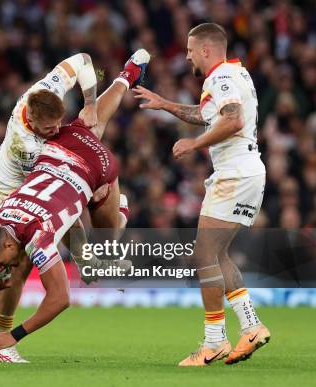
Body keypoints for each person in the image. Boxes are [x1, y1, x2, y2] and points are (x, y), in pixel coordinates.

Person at [0, 54, 149, 359]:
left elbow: (84, 61)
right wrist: (88, 191)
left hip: (46, 186)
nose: (56, 131)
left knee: (88, 126)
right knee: (22, 262)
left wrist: (90, 100)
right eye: (49, 128)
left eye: (59, 124)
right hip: (14, 182)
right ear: (31, 119)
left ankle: (126, 75)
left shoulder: (46, 92)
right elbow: (57, 207)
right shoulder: (27, 145)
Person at [133, 23, 270, 366]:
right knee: (218, 255)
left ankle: (214, 342)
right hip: (249, 169)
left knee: (203, 254)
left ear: (206, 50)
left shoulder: (219, 78)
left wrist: (195, 144)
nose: (187, 56)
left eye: (191, 50)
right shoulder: (236, 75)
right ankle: (252, 326)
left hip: (234, 171)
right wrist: (165, 104)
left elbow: (233, 120)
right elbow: (210, 117)